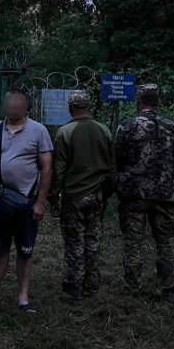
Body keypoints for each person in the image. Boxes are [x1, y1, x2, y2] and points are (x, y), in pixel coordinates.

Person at [0, 89, 53, 314]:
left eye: (18, 104)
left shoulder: (39, 130)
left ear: (26, 107)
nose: (14, 107)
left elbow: (47, 168)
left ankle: (23, 297)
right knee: (0, 249)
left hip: (27, 201)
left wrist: (40, 202)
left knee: (25, 251)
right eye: (10, 104)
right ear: (5, 106)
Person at [115, 83, 174, 299]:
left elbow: (118, 157)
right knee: (165, 240)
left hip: (134, 193)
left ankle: (132, 287)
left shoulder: (127, 126)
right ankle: (169, 287)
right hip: (165, 193)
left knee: (133, 241)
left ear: (138, 101)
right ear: (157, 102)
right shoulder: (170, 126)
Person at [48, 91, 116, 301]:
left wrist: (54, 197)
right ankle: (91, 286)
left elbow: (59, 170)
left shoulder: (65, 132)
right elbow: (112, 167)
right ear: (90, 107)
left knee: (74, 243)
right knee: (93, 242)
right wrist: (106, 193)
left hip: (74, 195)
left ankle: (73, 289)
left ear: (70, 109)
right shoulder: (104, 130)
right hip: (98, 195)